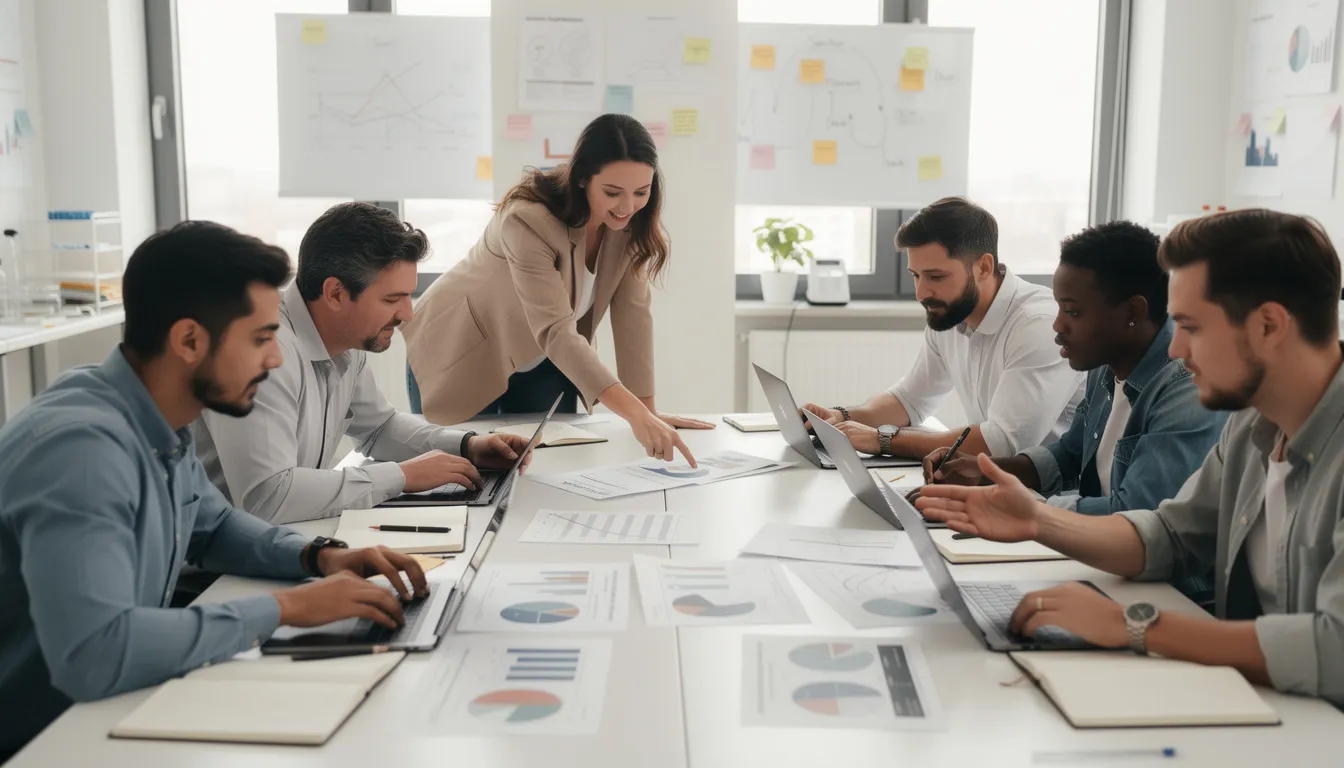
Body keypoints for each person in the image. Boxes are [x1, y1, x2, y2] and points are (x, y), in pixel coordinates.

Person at [0, 222, 433, 759]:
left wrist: (319, 557)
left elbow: (212, 525)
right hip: (40, 737)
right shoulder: (82, 452)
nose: (275, 360)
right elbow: (96, 651)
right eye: (259, 340)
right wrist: (287, 609)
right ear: (188, 341)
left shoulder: (156, 414)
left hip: (105, 708)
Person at [916, 210, 1344, 705]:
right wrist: (1037, 519)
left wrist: (1133, 626)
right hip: (1274, 702)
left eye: (1190, 327)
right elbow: (1172, 536)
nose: (1177, 349)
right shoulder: (1254, 423)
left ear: (1268, 325)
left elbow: (1334, 649)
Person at [922, 221, 1227, 605]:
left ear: (1132, 311)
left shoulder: (1185, 389)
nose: (1058, 325)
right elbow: (1069, 452)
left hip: (1167, 596)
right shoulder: (1106, 363)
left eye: (1074, 312)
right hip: (1101, 570)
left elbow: (1136, 513)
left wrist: (1033, 512)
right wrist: (990, 471)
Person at [403, 113, 713, 466]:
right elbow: (556, 330)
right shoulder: (528, 219)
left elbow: (633, 316)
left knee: (548, 468)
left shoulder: (628, 225)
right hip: (463, 350)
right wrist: (634, 415)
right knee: (465, 476)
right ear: (583, 179)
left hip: (543, 362)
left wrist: (647, 410)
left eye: (641, 192)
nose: (627, 207)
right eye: (612, 192)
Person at [195, 203, 531, 525]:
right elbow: (268, 498)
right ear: (336, 294)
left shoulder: (346, 337)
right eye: (391, 299)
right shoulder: (267, 353)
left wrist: (467, 445)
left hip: (281, 537)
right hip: (214, 574)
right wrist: (400, 476)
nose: (407, 314)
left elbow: (379, 428)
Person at [802, 197, 1084, 461]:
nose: (922, 292)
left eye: (936, 276)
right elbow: (909, 400)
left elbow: (1001, 443)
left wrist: (883, 440)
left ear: (983, 267)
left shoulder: (1038, 325)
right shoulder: (950, 313)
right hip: (996, 483)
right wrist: (840, 417)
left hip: (1051, 496)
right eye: (915, 276)